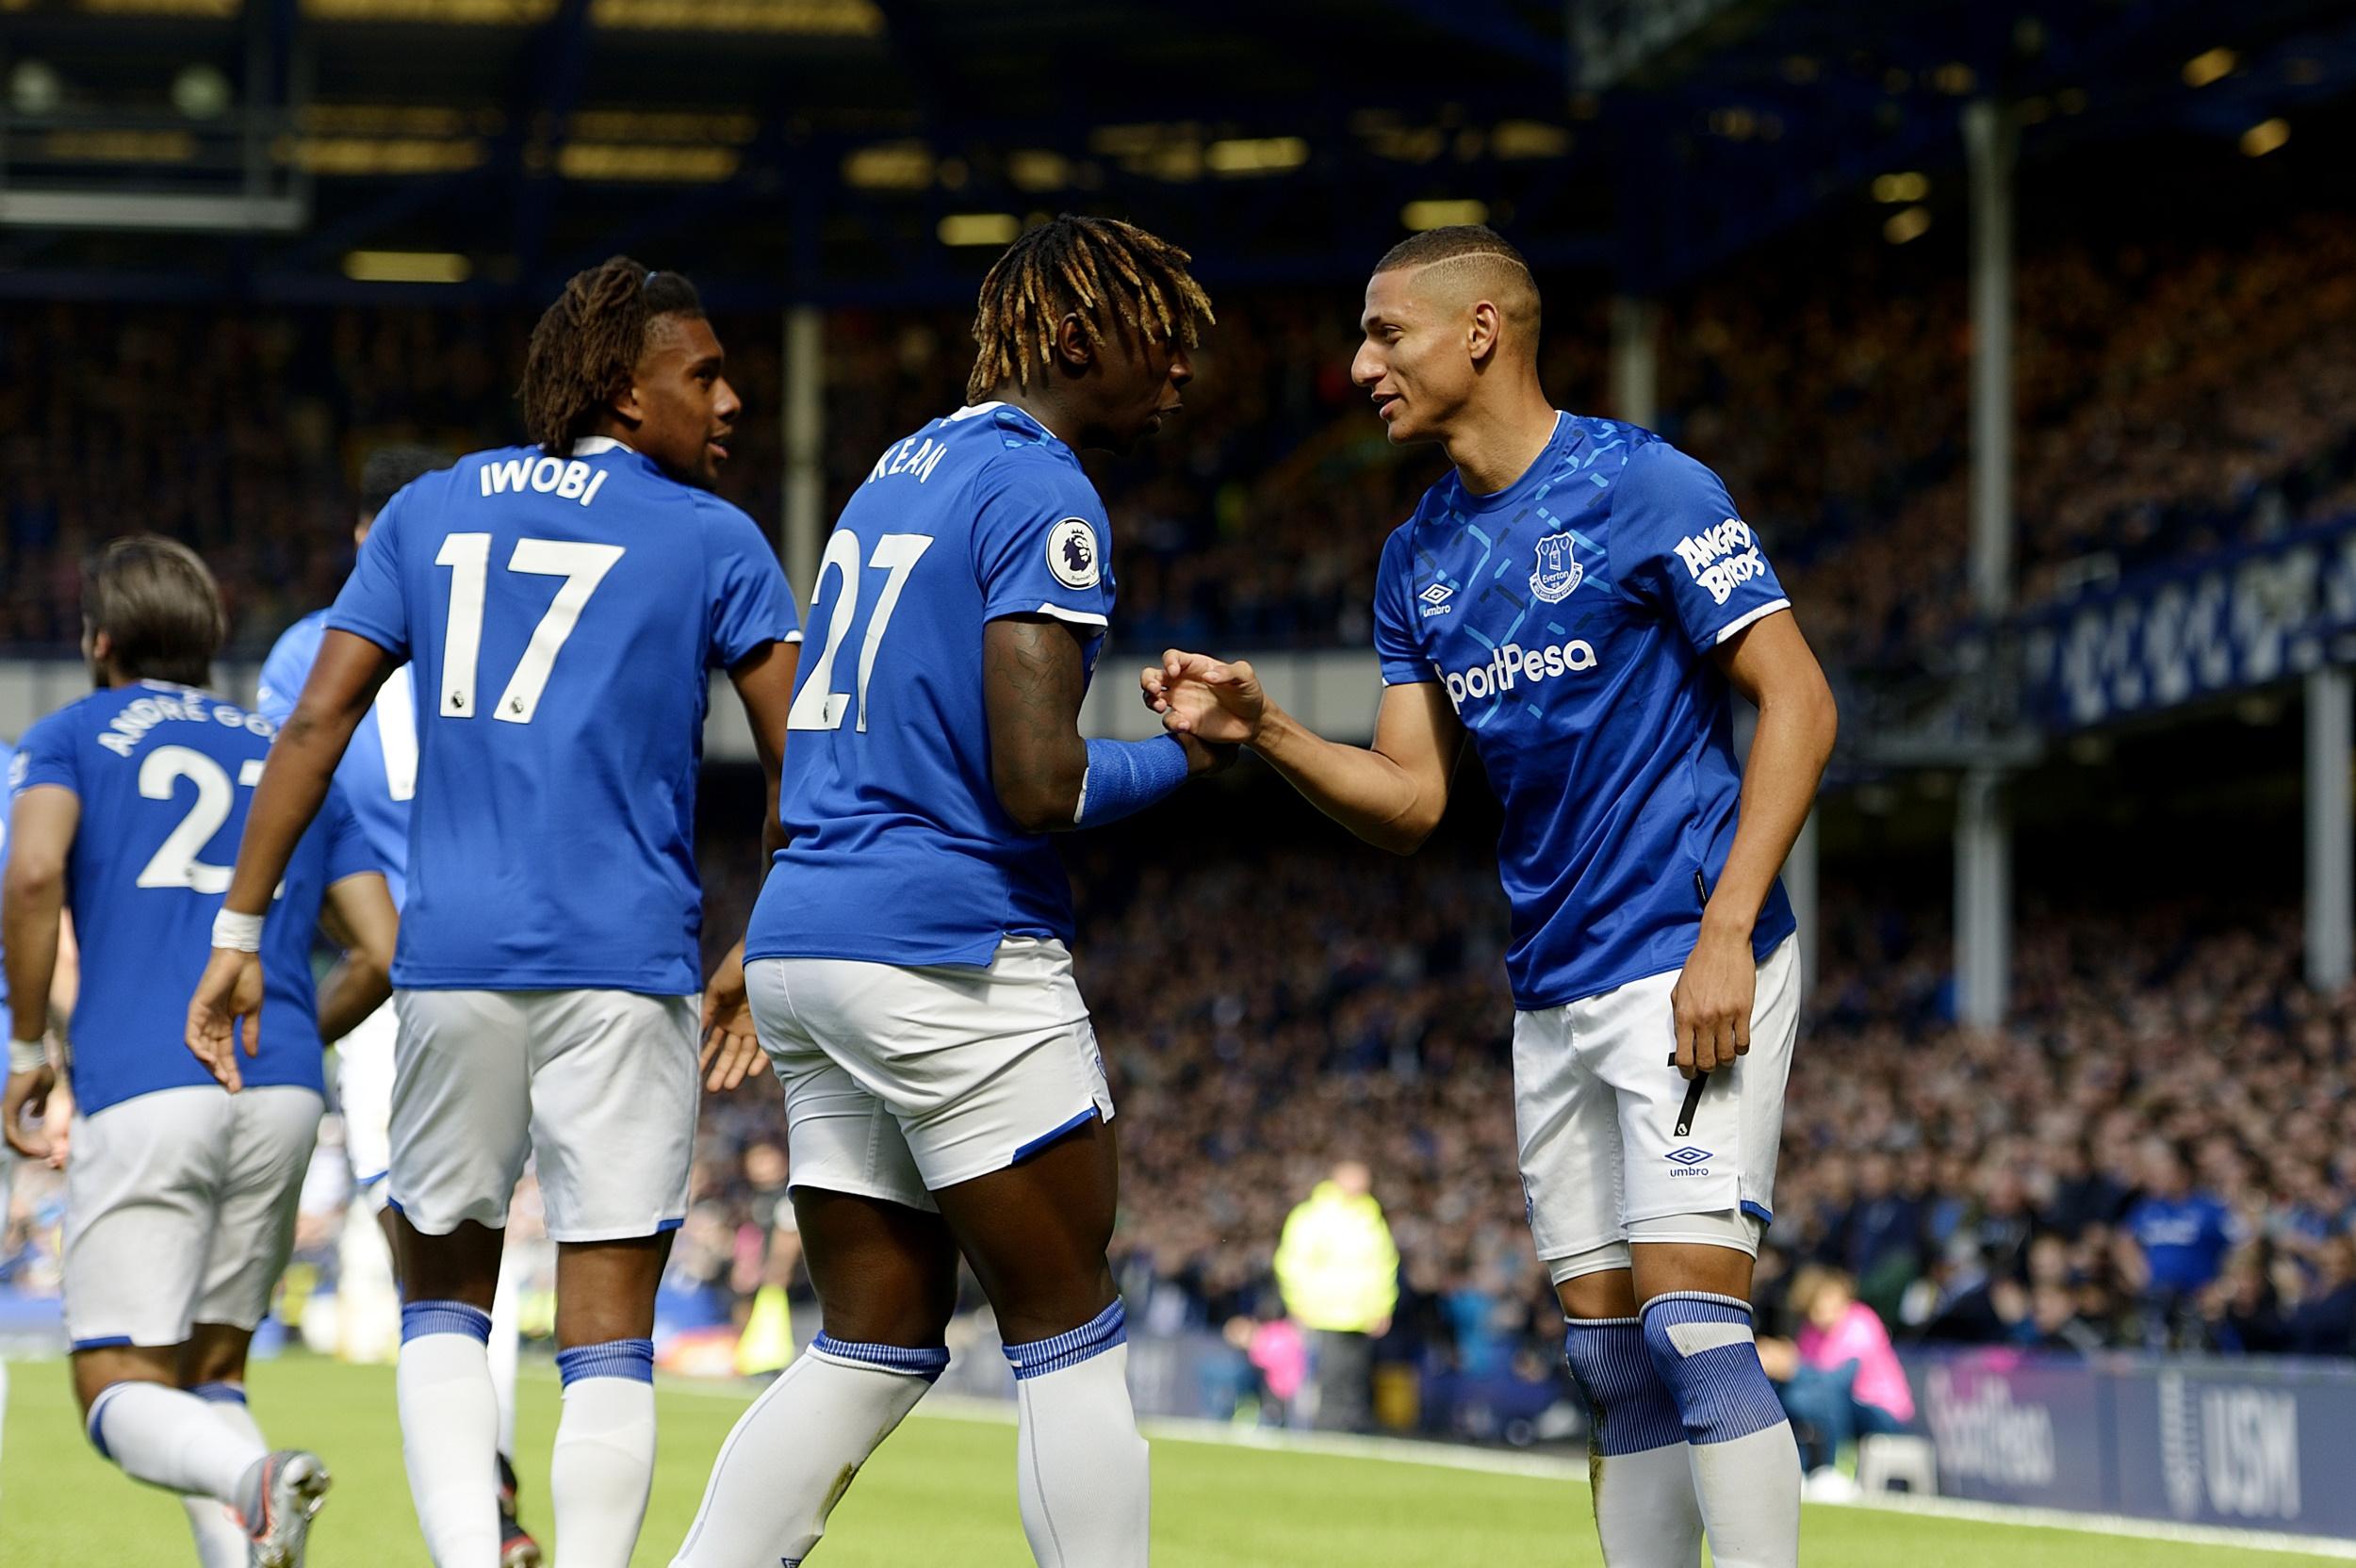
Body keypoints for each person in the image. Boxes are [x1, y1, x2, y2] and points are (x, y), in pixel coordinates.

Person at [1148, 225, 1838, 1568]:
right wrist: (1271, 731)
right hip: (1554, 987)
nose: (1358, 366)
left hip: (1689, 957)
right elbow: (1413, 802)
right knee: (1611, 1364)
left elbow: (1799, 700)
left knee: (1692, 1334)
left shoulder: (1644, 484)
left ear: (1481, 332)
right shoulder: (1416, 558)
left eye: (1384, 333)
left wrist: (1726, 931)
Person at [187, 257, 802, 1568]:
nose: (732, 400)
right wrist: (772, 929)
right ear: (628, 393)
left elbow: (316, 718)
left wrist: (241, 933)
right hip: (626, 968)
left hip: (450, 967)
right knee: (606, 1326)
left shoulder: (427, 509)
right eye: (706, 373)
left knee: (442, 1307)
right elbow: (807, 758)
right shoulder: (714, 538)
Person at [666, 214, 1221, 1568]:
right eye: (1159, 336)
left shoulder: (894, 471)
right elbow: (1038, 783)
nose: (1181, 369)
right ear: (1079, 336)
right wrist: (1194, 757)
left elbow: (819, 733)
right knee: (1070, 1326)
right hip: (948, 951)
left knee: (871, 1340)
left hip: (813, 935)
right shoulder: (1045, 490)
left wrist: (774, 909)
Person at [6, 536, 400, 1568]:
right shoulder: (288, 752)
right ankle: (254, 1503)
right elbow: (381, 948)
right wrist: (285, 1047)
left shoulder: (72, 735)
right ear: (212, 643)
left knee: (114, 1384)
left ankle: (250, 1479)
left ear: (98, 641)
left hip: (145, 1079)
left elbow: (34, 872)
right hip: (277, 1092)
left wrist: (26, 1044)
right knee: (213, 1373)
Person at [256, 446, 545, 1568]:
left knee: (426, 1251)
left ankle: (480, 1509)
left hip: (400, 979)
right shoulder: (518, 628)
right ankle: (503, 1490)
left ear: (365, 527)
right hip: (542, 951)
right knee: (531, 1251)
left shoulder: (305, 651)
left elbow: (289, 801)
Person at [1757, 1266, 1912, 1495]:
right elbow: (1807, 1379)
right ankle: (1798, 1467)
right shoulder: (1811, 1332)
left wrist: (1792, 1367)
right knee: (1791, 1395)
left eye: (1830, 1296)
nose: (1824, 1306)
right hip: (1844, 1407)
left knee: (1822, 1397)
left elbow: (1839, 1381)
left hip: (1881, 1413)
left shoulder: (1861, 1322)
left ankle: (1835, 1470)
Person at [1272, 1159, 1399, 1431]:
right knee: (1325, 1377)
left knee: (1353, 1377)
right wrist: (1297, 1303)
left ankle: (1348, 1430)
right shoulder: (1313, 1216)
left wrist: (1382, 1307)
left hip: (1360, 1315)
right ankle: (1323, 1430)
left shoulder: (1370, 1219)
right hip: (1322, 1313)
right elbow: (1293, 1263)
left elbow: (1384, 1266)